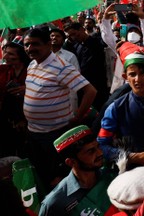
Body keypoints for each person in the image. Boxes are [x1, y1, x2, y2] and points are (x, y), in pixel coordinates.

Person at [23, 28, 97, 188]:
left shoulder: (62, 66)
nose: (30, 48)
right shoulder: (32, 64)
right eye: (26, 45)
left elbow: (90, 91)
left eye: (35, 44)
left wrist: (77, 117)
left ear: (48, 44)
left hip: (55, 134)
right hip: (34, 132)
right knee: (42, 173)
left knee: (59, 176)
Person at [98, 42, 144, 168]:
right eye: (132, 74)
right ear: (125, 77)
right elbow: (102, 146)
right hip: (134, 174)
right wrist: (134, 157)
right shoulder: (116, 108)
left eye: (143, 73)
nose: (137, 79)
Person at [39, 125, 118, 215]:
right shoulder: (54, 202)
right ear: (71, 162)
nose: (100, 153)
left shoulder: (112, 175)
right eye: (91, 151)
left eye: (98, 147)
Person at [64, 22, 109, 108]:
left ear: (81, 29)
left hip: (97, 87)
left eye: (74, 34)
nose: (73, 37)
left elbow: (87, 67)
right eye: (70, 36)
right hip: (84, 88)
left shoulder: (96, 43)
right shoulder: (77, 45)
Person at [0, 42, 29, 157]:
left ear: (21, 55)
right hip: (5, 119)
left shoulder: (31, 71)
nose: (5, 56)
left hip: (26, 121)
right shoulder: (3, 70)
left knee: (24, 151)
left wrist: (28, 90)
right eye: (5, 53)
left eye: (10, 54)